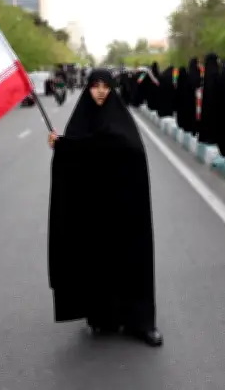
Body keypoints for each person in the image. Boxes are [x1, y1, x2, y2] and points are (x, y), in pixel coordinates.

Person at [46, 69, 163, 347]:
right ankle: (102, 315)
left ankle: (141, 322)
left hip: (124, 209)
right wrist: (61, 147)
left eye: (105, 86)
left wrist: (77, 148)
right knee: (96, 258)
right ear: (87, 89)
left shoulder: (121, 121)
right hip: (94, 210)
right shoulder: (81, 121)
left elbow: (128, 151)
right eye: (95, 86)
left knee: (132, 260)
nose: (100, 91)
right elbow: (77, 157)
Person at [197, 53, 221, 145]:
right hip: (215, 103)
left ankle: (206, 137)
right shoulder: (215, 73)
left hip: (207, 103)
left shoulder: (207, 74)